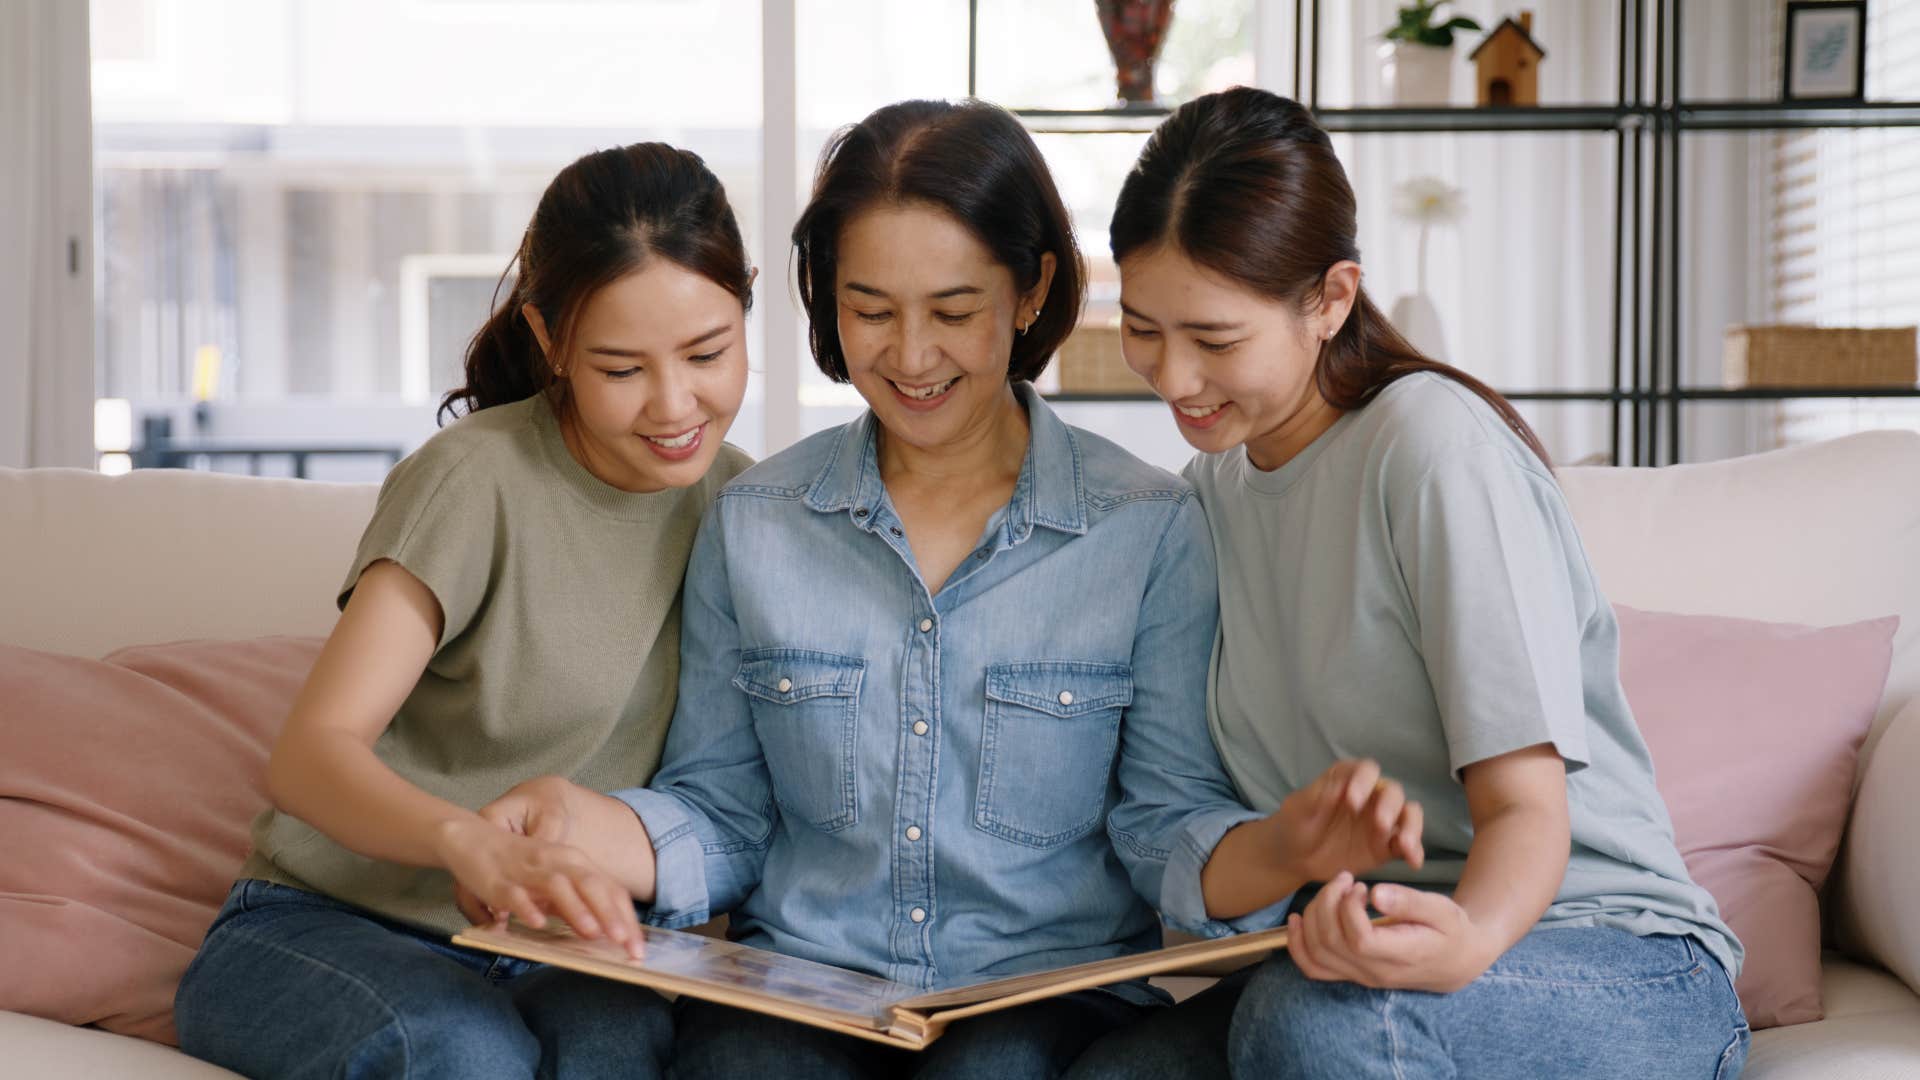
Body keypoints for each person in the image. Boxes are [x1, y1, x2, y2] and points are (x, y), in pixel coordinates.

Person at [469, 97, 1422, 1080]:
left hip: (1049, 999)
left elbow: (1165, 820)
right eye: (870, 310)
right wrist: (588, 831)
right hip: (799, 990)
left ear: (1031, 288)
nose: (911, 355)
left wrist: (1286, 847)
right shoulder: (754, 521)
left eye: (955, 312)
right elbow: (721, 811)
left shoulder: (1148, 528)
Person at [1068, 86, 1750, 1080]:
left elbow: (1528, 809)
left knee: (1315, 1028)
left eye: (1215, 340)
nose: (1173, 379)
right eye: (1143, 328)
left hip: (1606, 956)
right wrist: (1292, 848)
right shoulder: (1200, 503)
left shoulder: (1428, 447)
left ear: (1331, 299)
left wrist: (1463, 941)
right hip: (1354, 953)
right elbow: (1181, 825)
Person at [172, 142, 757, 1080]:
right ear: (551, 338)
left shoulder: (744, 511)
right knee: (464, 1050)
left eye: (708, 353)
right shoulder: (473, 482)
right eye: (620, 369)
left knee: (624, 1044)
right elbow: (310, 755)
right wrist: (467, 844)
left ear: (746, 308)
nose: (674, 404)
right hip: (322, 927)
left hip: (546, 950)